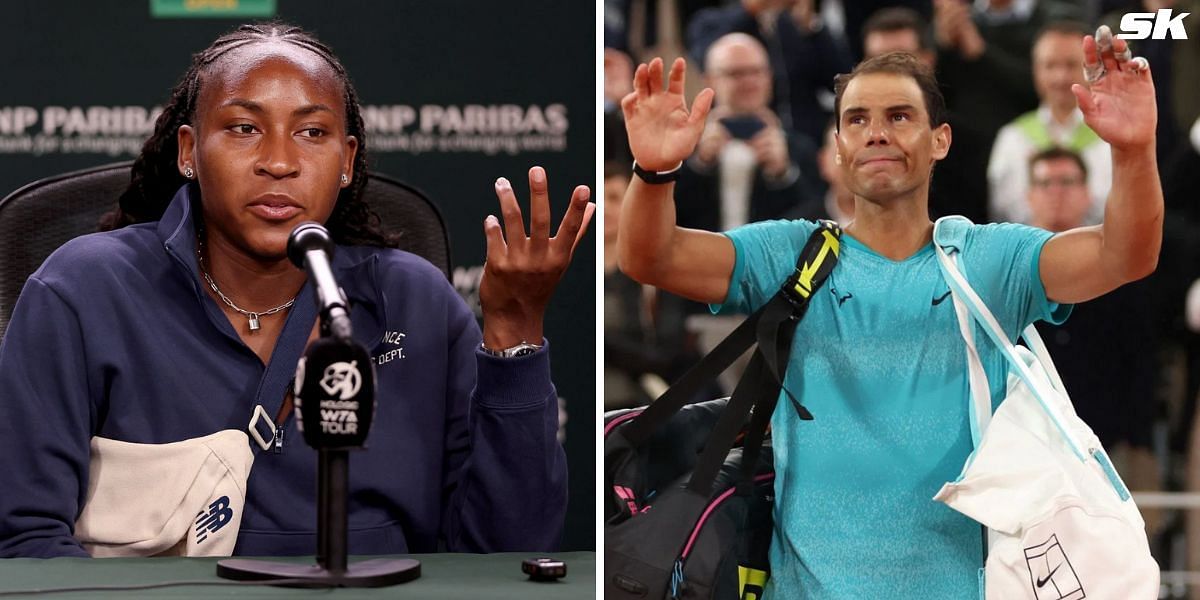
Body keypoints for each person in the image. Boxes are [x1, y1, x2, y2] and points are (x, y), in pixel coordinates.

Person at [0, 23, 594, 559]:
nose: (279, 162)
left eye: (312, 132)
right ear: (188, 152)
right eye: (243, 128)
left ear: (346, 159)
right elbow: (25, 537)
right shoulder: (84, 290)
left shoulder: (415, 300)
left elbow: (510, 551)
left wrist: (515, 334)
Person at [617, 26, 1161, 597]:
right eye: (857, 120)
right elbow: (652, 257)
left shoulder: (987, 259)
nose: (876, 133)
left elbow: (1125, 253)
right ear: (837, 147)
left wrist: (1131, 150)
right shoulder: (792, 253)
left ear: (941, 140)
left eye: (900, 116)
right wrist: (654, 174)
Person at [676, 32, 823, 232]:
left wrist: (782, 174)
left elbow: (817, 223)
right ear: (709, 80)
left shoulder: (800, 148)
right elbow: (667, 219)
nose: (749, 82)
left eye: (756, 72)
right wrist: (699, 165)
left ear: (769, 77)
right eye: (736, 73)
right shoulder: (684, 147)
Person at [988, 21, 1112, 225]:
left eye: (1071, 65)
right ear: (1036, 70)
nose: (1060, 77)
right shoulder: (1012, 138)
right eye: (1050, 65)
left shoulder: (1110, 138)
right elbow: (1000, 216)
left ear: (1093, 69)